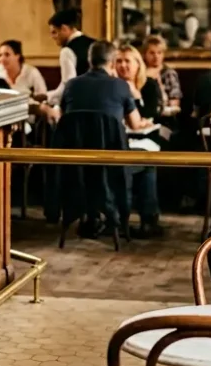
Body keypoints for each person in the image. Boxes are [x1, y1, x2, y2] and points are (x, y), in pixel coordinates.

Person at [60, 41, 160, 237]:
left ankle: (93, 218)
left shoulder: (71, 85)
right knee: (148, 161)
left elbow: (65, 119)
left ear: (89, 60)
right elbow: (135, 124)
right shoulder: (120, 86)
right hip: (112, 161)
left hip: (76, 162)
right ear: (112, 62)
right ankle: (147, 221)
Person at [43, 8, 94, 104]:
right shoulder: (96, 44)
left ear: (64, 28)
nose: (52, 37)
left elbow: (68, 86)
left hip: (80, 103)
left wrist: (48, 97)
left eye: (54, 32)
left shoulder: (66, 51)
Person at [115, 44, 162, 120]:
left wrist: (136, 97)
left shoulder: (149, 84)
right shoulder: (112, 86)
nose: (123, 65)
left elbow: (151, 114)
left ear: (138, 64)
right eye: (119, 61)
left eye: (127, 61)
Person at [141, 35, 182, 109]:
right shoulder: (139, 72)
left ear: (163, 54)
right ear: (144, 54)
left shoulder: (169, 73)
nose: (156, 56)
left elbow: (174, 102)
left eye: (159, 53)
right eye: (152, 53)